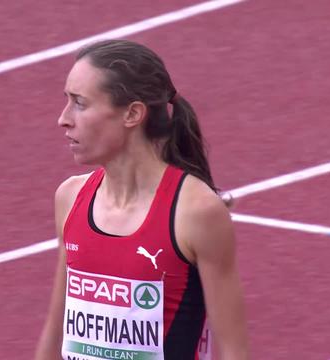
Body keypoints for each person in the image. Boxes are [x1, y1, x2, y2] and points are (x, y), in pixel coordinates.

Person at [35, 39, 248, 360]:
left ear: (132, 114)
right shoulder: (71, 197)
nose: (63, 118)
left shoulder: (195, 213)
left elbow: (234, 351)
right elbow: (56, 333)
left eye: (79, 103)